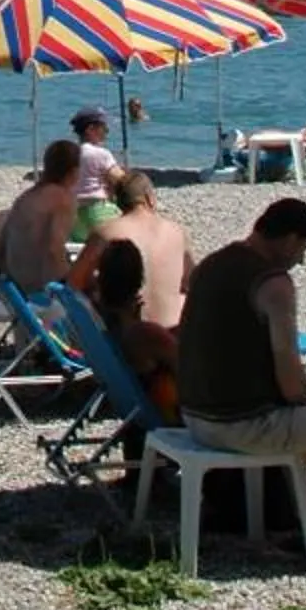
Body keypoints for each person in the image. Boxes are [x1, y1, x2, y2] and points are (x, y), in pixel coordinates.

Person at [175, 197, 306, 551]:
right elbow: (289, 376)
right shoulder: (273, 285)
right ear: (290, 239)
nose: (301, 259)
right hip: (241, 425)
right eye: (303, 249)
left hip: (195, 417)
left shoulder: (211, 265)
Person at [70, 168, 194, 328]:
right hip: (170, 336)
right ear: (150, 199)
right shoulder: (177, 231)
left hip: (125, 339)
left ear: (119, 202)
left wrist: (95, 285)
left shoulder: (105, 233)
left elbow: (74, 283)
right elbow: (190, 283)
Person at [93, 237, 180, 423]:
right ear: (140, 278)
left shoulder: (106, 324)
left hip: (139, 410)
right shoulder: (144, 334)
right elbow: (190, 368)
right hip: (175, 416)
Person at [0, 137, 81, 294]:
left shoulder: (25, 197)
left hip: (17, 288)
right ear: (74, 171)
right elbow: (54, 250)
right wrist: (71, 285)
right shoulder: (64, 200)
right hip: (43, 291)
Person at [69, 107, 124, 244]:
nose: (107, 131)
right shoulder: (101, 154)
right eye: (104, 127)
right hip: (98, 214)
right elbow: (122, 181)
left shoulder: (69, 154)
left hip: (74, 217)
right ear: (90, 129)